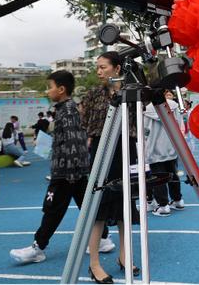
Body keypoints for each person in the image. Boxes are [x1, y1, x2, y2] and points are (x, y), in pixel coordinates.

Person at [9, 71, 90, 266]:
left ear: (61, 89)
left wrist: (69, 173)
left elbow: (73, 141)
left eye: (49, 86)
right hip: (73, 171)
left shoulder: (68, 110)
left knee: (53, 209)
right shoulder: (65, 108)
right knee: (86, 206)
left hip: (66, 171)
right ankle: (102, 238)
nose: (48, 91)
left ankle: (38, 248)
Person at [80, 51, 140, 281]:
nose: (99, 72)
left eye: (103, 67)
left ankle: (125, 256)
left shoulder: (132, 91)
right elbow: (86, 123)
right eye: (98, 67)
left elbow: (137, 120)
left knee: (126, 207)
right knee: (100, 210)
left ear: (117, 69)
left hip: (127, 149)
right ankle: (93, 264)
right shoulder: (95, 94)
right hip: (103, 151)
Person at [145, 90, 185, 217]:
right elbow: (179, 125)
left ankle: (163, 205)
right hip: (171, 144)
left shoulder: (146, 109)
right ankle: (178, 200)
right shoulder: (172, 105)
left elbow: (144, 130)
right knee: (173, 173)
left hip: (153, 147)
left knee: (158, 177)